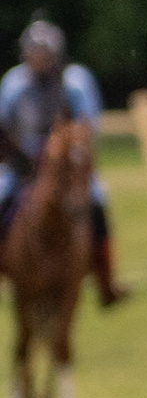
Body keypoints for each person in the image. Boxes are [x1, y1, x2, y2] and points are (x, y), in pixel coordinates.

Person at [0, 18, 126, 304]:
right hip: (22, 164)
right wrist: (19, 159)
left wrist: (63, 153)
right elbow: (3, 128)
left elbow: (87, 127)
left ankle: (107, 282)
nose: (38, 59)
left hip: (65, 166)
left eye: (43, 53)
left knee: (96, 200)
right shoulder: (13, 83)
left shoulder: (75, 82)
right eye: (33, 53)